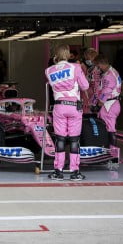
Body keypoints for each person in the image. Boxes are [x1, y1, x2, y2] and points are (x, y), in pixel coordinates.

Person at [45, 44, 89, 181]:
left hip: (59, 107)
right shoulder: (75, 68)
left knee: (60, 139)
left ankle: (58, 171)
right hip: (75, 106)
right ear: (68, 54)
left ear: (56, 55)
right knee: (74, 140)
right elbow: (85, 86)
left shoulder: (48, 70)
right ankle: (75, 172)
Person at [92, 54, 122, 147]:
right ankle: (108, 152)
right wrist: (94, 101)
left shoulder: (110, 75)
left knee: (110, 129)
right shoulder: (108, 73)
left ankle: (113, 155)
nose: (97, 68)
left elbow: (106, 91)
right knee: (107, 128)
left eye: (97, 65)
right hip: (108, 104)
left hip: (110, 104)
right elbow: (100, 89)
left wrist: (99, 104)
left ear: (101, 63)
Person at [80, 48, 100, 114]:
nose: (88, 60)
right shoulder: (85, 68)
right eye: (87, 59)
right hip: (85, 96)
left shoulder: (98, 68)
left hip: (94, 96)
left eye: (89, 58)